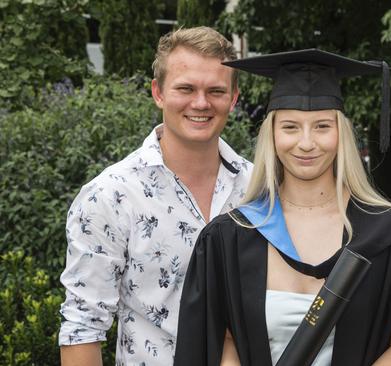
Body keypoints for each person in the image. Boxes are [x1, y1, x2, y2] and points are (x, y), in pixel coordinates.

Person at [173, 49, 391, 365]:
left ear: (341, 134)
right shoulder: (230, 238)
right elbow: (217, 339)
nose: (306, 143)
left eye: (322, 126)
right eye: (290, 127)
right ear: (272, 135)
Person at [58, 26, 252, 366]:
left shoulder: (259, 188)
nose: (201, 103)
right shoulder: (111, 195)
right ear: (158, 93)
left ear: (233, 98)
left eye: (216, 90)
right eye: (186, 88)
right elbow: (82, 329)